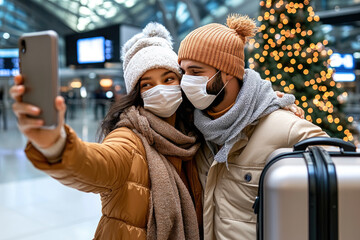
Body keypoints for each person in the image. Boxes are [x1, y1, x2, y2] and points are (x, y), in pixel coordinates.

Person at [10, 22, 202, 240]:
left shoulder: (194, 138)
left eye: (168, 79)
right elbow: (98, 163)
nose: (160, 89)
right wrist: (56, 144)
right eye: (147, 85)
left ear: (180, 82)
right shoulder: (129, 139)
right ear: (137, 94)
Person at [177, 14, 329, 239]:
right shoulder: (196, 129)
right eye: (184, 71)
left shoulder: (285, 127)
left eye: (196, 72)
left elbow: (342, 181)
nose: (186, 81)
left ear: (227, 71)